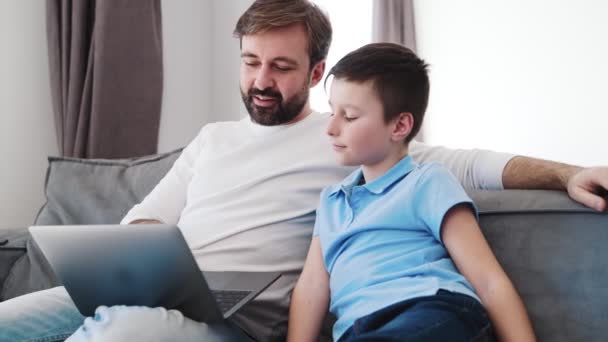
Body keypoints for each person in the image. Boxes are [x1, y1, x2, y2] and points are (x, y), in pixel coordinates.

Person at [0, 0, 605, 341]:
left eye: (281, 67)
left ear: (316, 73)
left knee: (120, 336)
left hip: (234, 324)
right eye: (251, 62)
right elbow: (148, 214)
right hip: (158, 291)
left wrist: (566, 172)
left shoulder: (347, 140)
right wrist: (138, 259)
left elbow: (470, 163)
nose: (262, 81)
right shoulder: (212, 140)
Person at [287, 42, 535, 342]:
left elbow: (489, 280)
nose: (331, 128)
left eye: (349, 116)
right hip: (359, 330)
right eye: (331, 112)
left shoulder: (428, 182)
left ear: (400, 125)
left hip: (434, 309)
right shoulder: (332, 202)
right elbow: (311, 287)